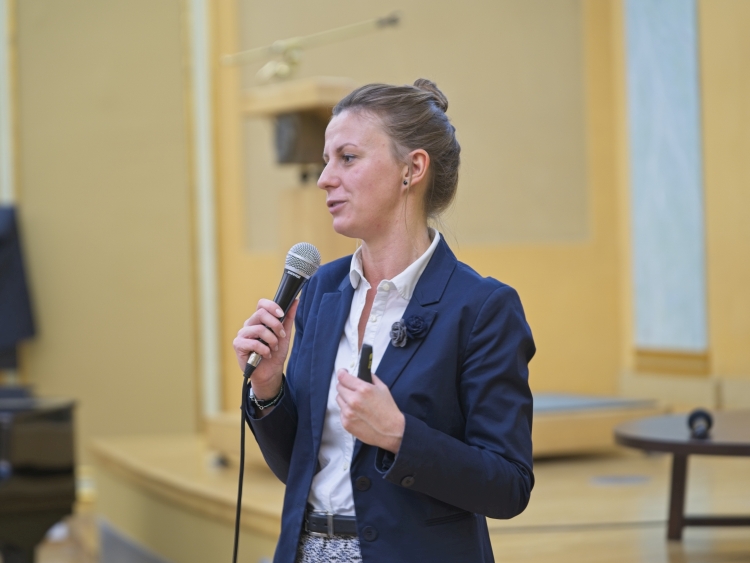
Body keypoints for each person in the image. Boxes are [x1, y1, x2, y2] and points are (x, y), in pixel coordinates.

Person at [233, 79, 535, 563]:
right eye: (326, 160)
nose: (324, 178)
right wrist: (268, 388)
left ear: (412, 169)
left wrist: (399, 435)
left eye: (347, 158)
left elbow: (509, 486)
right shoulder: (320, 291)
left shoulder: (481, 307)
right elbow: (299, 468)